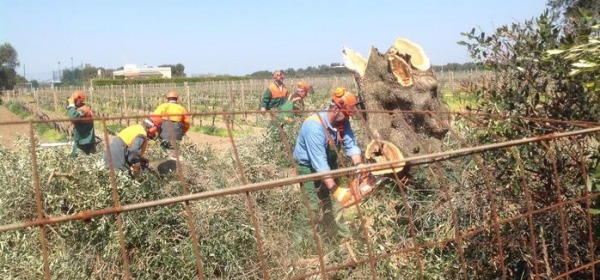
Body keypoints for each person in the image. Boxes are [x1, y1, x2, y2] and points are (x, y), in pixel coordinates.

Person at [293, 86, 364, 239]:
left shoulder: (342, 121)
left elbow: (351, 144)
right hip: (308, 167)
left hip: (329, 162)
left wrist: (359, 166)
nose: (347, 118)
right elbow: (319, 163)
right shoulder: (314, 126)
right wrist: (335, 189)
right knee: (312, 206)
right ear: (336, 109)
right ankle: (300, 242)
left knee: (335, 203)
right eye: (346, 114)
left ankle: (341, 237)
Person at [66, 90, 96, 157]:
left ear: (79, 100)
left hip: (84, 140)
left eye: (74, 100)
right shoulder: (80, 108)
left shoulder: (83, 110)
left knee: (75, 157)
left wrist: (71, 105)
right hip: (82, 138)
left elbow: (73, 116)